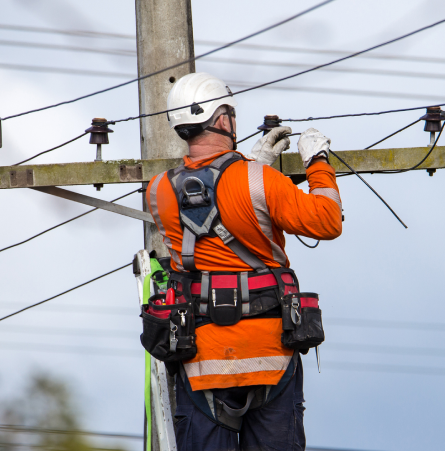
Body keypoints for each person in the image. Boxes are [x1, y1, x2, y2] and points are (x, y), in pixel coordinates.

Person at [144, 72, 342, 450]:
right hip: (271, 359)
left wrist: (251, 163)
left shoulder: (159, 190)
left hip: (201, 363)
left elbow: (209, 200)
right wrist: (317, 161)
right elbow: (327, 220)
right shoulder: (261, 181)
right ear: (222, 119)